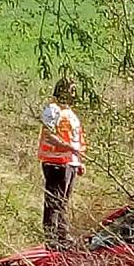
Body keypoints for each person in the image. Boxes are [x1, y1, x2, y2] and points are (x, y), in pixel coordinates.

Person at [38, 77, 86, 249]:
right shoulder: (52, 109)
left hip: (70, 163)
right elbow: (49, 134)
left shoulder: (70, 113)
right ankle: (52, 240)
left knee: (63, 202)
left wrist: (78, 161)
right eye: (70, 90)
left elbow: (76, 139)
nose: (73, 94)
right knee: (54, 202)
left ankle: (63, 237)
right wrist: (67, 148)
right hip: (56, 162)